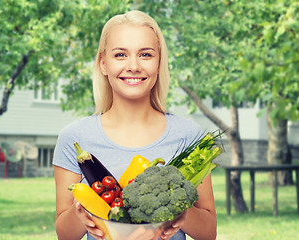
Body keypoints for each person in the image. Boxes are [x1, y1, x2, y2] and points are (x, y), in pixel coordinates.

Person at [53, 10, 217, 240]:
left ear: (159, 63)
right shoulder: (75, 137)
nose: (133, 66)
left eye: (145, 55)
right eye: (120, 54)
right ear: (103, 63)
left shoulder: (188, 135)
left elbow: (209, 233)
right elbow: (64, 235)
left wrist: (183, 212)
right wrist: (79, 213)